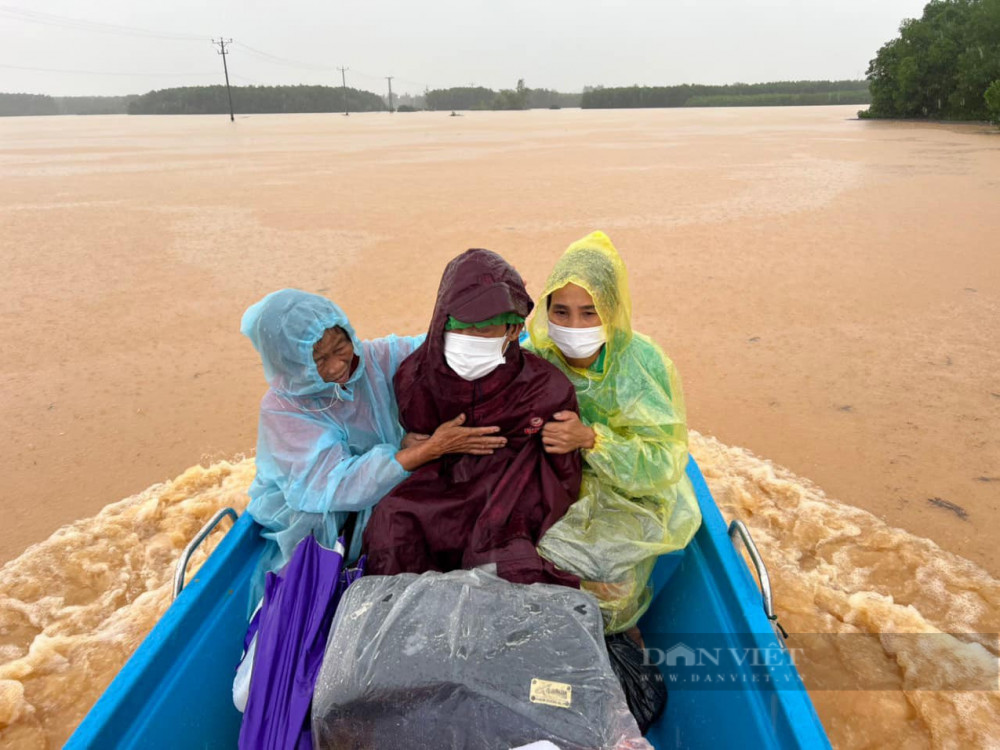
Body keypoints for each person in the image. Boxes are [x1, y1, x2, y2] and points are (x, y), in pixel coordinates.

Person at [240, 288, 508, 602]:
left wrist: (488, 320)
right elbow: (337, 485)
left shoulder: (374, 360)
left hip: (390, 473)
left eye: (341, 346)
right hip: (323, 511)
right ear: (291, 365)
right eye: (319, 360)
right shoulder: (283, 409)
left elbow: (433, 349)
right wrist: (423, 451)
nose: (338, 364)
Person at [362, 249, 582, 586]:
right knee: (392, 523)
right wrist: (432, 446)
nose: (471, 339)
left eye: (486, 330)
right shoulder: (415, 378)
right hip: (443, 479)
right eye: (463, 327)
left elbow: (563, 472)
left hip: (515, 485)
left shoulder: (546, 386)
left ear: (513, 331)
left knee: (504, 556)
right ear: (442, 321)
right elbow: (415, 438)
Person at [526, 231, 702, 634]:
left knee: (610, 579)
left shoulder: (644, 364)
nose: (574, 325)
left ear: (613, 310)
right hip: (554, 484)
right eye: (562, 311)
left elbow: (665, 462)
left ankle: (609, 635)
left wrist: (591, 439)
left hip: (630, 495)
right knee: (521, 554)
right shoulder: (535, 357)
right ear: (546, 310)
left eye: (590, 312)